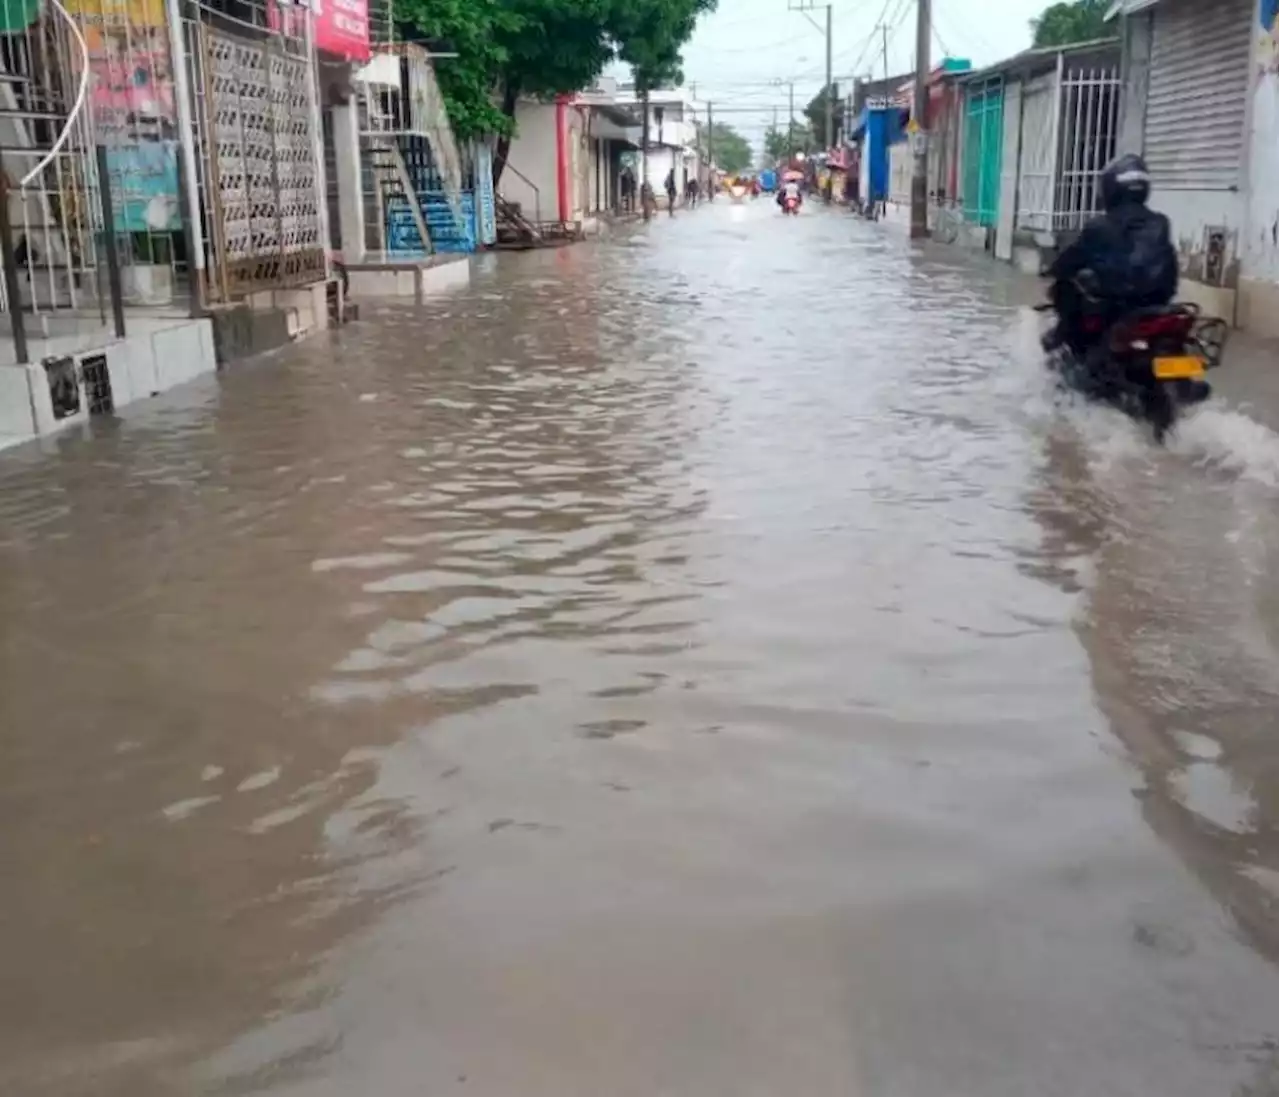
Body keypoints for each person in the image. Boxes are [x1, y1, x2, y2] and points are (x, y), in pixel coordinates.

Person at [1045, 153, 1179, 357]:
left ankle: (1070, 346)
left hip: (1117, 309)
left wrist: (1052, 269)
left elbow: (1070, 260)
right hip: (1156, 305)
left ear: (1111, 189)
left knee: (1066, 290)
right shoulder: (1161, 223)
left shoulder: (1099, 226)